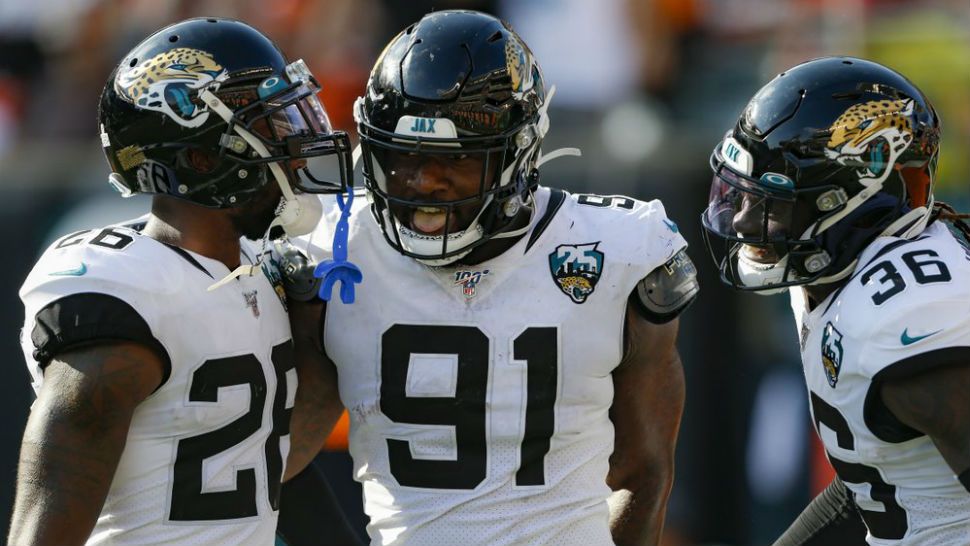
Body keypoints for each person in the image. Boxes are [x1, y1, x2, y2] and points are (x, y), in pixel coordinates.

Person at [281, 10, 699, 546]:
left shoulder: (615, 252)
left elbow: (643, 469)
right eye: (401, 156)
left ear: (518, 154)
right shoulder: (333, 249)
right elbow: (279, 459)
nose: (420, 182)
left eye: (450, 159)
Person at [9, 17, 357, 546]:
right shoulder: (128, 292)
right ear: (202, 158)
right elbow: (47, 520)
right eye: (269, 128)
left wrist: (313, 339)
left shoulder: (256, 272)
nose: (293, 140)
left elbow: (265, 464)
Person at [701, 56, 970, 545]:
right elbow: (881, 476)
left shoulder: (911, 321)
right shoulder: (841, 279)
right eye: (743, 199)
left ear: (852, 197)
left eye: (771, 203)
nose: (741, 223)